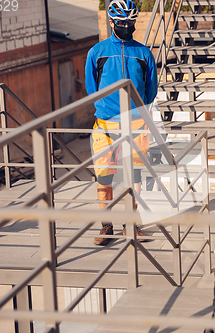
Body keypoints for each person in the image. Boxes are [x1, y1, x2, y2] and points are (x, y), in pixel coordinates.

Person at [85, 0, 158, 245]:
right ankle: (106, 226)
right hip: (105, 125)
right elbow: (91, 87)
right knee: (104, 177)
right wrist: (107, 107)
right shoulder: (97, 52)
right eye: (123, 23)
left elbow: (151, 89)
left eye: (131, 23)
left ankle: (133, 224)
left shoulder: (144, 53)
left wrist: (137, 111)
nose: (128, 27)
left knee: (134, 178)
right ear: (113, 23)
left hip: (136, 123)